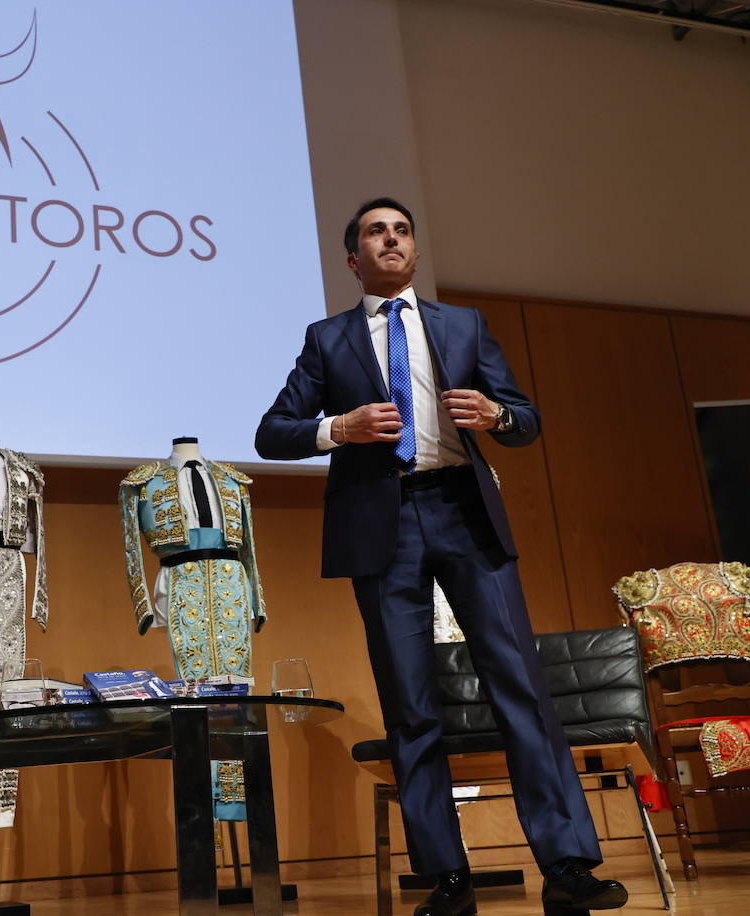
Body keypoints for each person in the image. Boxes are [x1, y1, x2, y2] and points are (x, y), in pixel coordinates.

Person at [255, 198, 627, 915]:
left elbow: (526, 419)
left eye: (401, 231)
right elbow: (274, 432)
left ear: (414, 252)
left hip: (462, 510)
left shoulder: (462, 325)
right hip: (381, 523)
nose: (390, 241)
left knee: (519, 685)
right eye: (375, 233)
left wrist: (499, 415)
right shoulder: (327, 339)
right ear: (352, 259)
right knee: (409, 702)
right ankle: (446, 878)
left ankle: (569, 863)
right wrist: (341, 426)